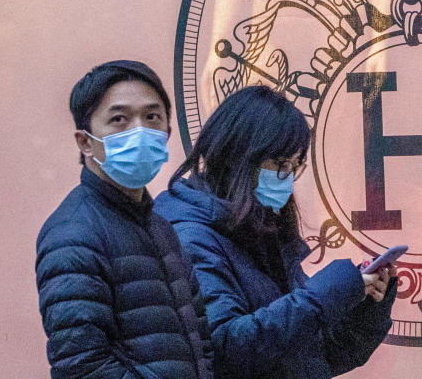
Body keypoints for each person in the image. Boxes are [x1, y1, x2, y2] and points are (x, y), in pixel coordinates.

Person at [154, 85, 396, 379]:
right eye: (281, 164)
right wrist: (325, 295)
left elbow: (315, 356)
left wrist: (365, 306)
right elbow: (227, 349)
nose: (289, 177)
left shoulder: (260, 231)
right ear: (239, 156)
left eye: (296, 166)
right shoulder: (191, 238)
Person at [35, 60, 214, 378]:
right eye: (119, 119)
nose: (140, 130)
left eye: (152, 117)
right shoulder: (73, 235)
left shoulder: (159, 225)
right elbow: (82, 367)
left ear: (167, 132)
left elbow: (200, 341)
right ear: (85, 141)